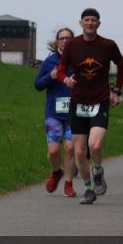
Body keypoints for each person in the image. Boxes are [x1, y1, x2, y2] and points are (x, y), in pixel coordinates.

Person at [55, 8, 123, 205]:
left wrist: (117, 90)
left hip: (100, 100)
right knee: (79, 151)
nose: (90, 23)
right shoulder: (72, 45)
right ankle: (88, 189)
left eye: (93, 20)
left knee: (94, 145)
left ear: (98, 24)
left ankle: (97, 169)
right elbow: (61, 69)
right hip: (78, 102)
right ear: (81, 23)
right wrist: (65, 80)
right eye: (86, 20)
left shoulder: (108, 45)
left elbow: (122, 66)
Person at [34, 28, 78, 197]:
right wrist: (50, 77)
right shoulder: (50, 61)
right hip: (53, 113)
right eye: (62, 38)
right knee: (53, 151)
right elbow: (37, 85)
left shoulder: (78, 61)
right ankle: (56, 171)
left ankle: (68, 183)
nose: (65, 41)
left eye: (68, 38)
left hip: (73, 113)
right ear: (57, 41)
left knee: (69, 147)